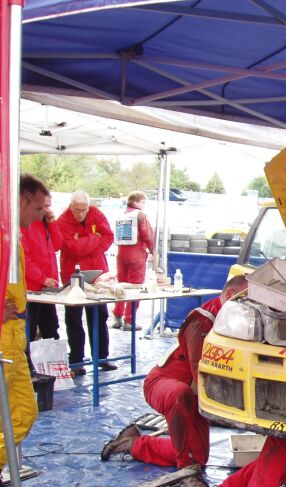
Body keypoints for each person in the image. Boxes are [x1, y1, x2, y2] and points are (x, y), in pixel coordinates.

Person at [100, 275, 248, 471]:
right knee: (181, 396)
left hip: (193, 394)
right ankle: (182, 466)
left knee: (198, 458)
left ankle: (133, 443)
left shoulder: (238, 320)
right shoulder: (203, 321)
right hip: (167, 384)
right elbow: (201, 378)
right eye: (246, 299)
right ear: (230, 295)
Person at [0, 175, 48, 487]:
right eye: (39, 206)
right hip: (4, 338)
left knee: (23, 414)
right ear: (21, 199)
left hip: (14, 339)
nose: (43, 213)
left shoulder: (12, 235)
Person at [57, 191, 116, 376]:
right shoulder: (63, 221)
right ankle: (76, 361)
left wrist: (84, 243)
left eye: (84, 210)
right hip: (72, 273)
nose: (81, 214)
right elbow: (71, 248)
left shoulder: (96, 213)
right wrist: (94, 238)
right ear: (70, 206)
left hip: (96, 273)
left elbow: (108, 237)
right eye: (77, 210)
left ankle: (102, 357)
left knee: (99, 314)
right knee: (74, 317)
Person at [21, 189, 62, 342]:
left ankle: (52, 364)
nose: (47, 210)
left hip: (47, 288)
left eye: (49, 206)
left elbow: (57, 245)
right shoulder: (25, 224)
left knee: (51, 329)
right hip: (31, 288)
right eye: (43, 206)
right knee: (29, 330)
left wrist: (52, 223)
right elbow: (23, 258)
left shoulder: (44, 223)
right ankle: (29, 364)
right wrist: (42, 278)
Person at [111, 191, 155, 331]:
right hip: (136, 255)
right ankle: (129, 320)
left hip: (121, 254)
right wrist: (154, 252)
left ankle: (117, 316)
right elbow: (148, 235)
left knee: (120, 287)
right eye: (143, 202)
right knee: (135, 288)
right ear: (136, 202)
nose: (144, 205)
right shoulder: (140, 216)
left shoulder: (120, 215)